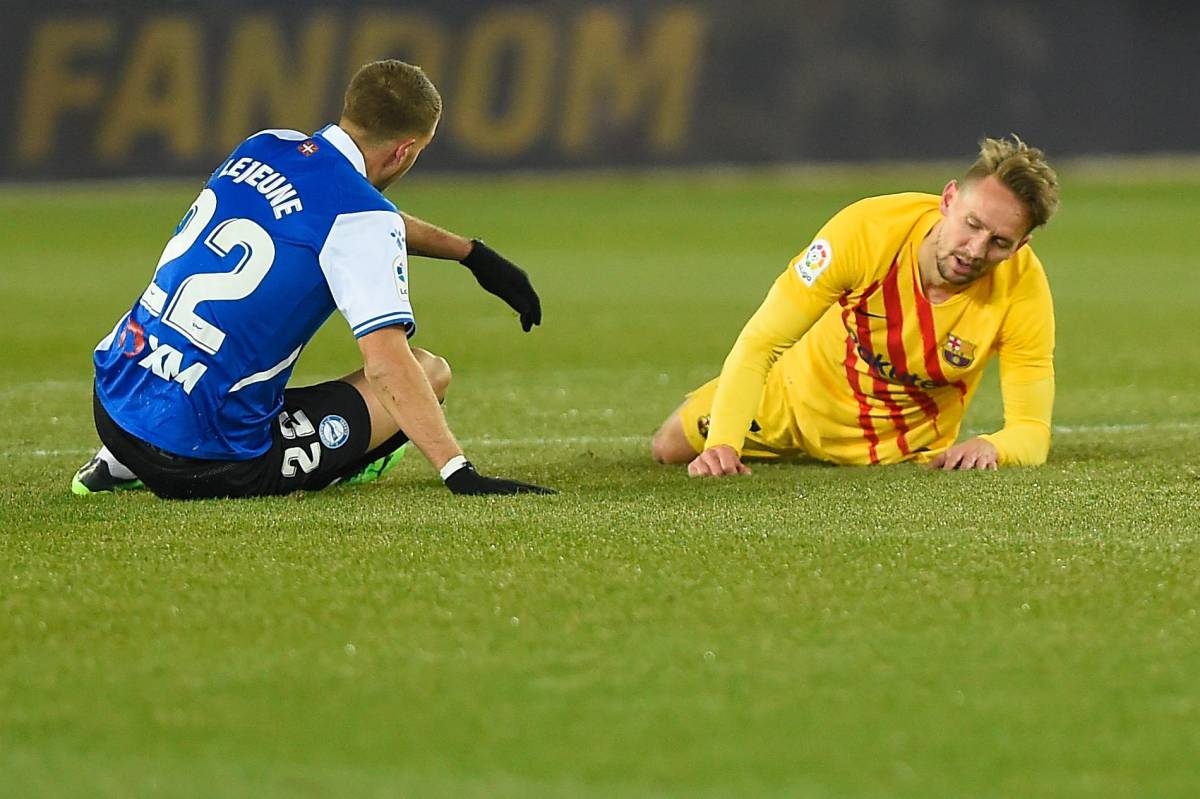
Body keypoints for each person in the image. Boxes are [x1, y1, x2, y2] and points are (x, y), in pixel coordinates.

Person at [72, 60, 553, 498]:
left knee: (206, 356)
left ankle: (115, 464)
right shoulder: (363, 220)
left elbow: (340, 215)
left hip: (113, 402)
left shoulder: (264, 145)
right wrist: (459, 471)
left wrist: (470, 253)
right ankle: (343, 464)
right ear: (405, 150)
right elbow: (387, 363)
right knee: (430, 371)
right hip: (204, 461)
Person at [652, 136, 1060, 476]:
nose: (974, 250)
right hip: (795, 404)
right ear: (949, 199)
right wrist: (723, 442)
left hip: (901, 450)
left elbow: (1032, 430)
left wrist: (994, 446)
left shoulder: (1023, 287)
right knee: (669, 447)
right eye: (972, 224)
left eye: (999, 242)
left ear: (1020, 245)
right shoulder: (865, 232)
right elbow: (761, 342)